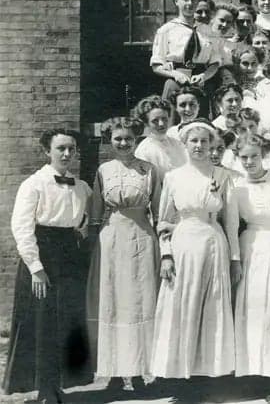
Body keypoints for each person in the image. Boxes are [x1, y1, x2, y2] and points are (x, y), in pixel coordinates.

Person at [5, 129, 93, 403]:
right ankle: (44, 389)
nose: (67, 154)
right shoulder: (33, 184)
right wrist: (36, 268)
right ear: (48, 152)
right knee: (41, 323)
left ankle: (60, 384)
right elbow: (21, 228)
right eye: (61, 149)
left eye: (71, 149)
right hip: (42, 257)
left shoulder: (82, 187)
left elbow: (87, 219)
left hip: (70, 255)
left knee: (66, 321)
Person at [150, 119, 241, 379]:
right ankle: (180, 376)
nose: (199, 146)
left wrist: (235, 259)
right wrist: (166, 254)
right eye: (194, 141)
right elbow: (165, 220)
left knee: (212, 304)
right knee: (181, 303)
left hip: (213, 243)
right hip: (183, 245)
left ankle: (208, 375)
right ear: (185, 144)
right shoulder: (173, 177)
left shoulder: (222, 176)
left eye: (204, 141)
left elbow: (231, 222)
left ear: (212, 144)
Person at [85, 117, 161, 391]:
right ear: (110, 140)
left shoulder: (148, 169)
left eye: (129, 138)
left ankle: (141, 372)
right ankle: (115, 374)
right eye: (118, 138)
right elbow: (95, 213)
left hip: (141, 237)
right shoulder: (103, 170)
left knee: (140, 302)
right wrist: (94, 239)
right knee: (114, 302)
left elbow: (158, 210)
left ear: (137, 139)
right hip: (112, 239)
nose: (124, 143)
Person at [230, 134, 270, 400]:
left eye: (254, 156)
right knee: (250, 313)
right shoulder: (236, 185)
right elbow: (232, 226)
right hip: (249, 249)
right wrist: (235, 259)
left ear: (263, 154)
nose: (250, 161)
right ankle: (251, 375)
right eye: (244, 157)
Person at [151, 0, 220, 117]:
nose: (189, 3)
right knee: (172, 124)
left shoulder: (208, 32)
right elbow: (156, 66)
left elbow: (215, 63)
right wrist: (175, 75)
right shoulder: (166, 30)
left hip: (200, 84)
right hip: (175, 83)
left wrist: (204, 76)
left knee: (200, 127)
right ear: (176, 1)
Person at [132, 95, 187, 177]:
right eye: (155, 121)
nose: (161, 124)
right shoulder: (143, 151)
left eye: (164, 119)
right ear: (146, 123)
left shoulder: (177, 144)